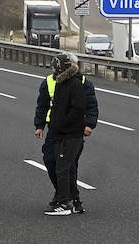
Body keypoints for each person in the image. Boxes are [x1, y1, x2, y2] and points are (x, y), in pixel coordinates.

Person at [34, 54, 100, 214]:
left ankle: (66, 199)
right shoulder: (49, 82)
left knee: (68, 164)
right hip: (55, 128)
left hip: (73, 129)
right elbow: (42, 105)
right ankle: (63, 194)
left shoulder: (82, 83)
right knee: (50, 160)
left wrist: (89, 124)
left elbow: (90, 105)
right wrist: (39, 125)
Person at [45, 54, 88, 216]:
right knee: (67, 168)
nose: (52, 70)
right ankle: (76, 202)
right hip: (60, 132)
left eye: (54, 67)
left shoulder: (75, 84)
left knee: (62, 168)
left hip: (71, 134)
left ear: (61, 68)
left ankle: (64, 204)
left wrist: (63, 122)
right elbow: (56, 107)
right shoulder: (60, 83)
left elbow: (78, 108)